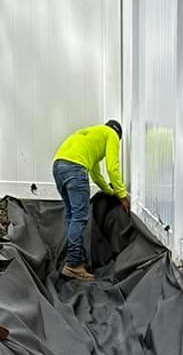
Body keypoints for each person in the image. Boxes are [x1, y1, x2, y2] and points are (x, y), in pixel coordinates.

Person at [52, 119, 128, 279]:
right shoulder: (112, 135)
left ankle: (74, 259)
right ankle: (73, 265)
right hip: (75, 168)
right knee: (79, 217)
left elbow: (95, 174)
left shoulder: (93, 135)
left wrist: (109, 191)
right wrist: (122, 195)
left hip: (58, 167)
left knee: (71, 216)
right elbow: (112, 168)